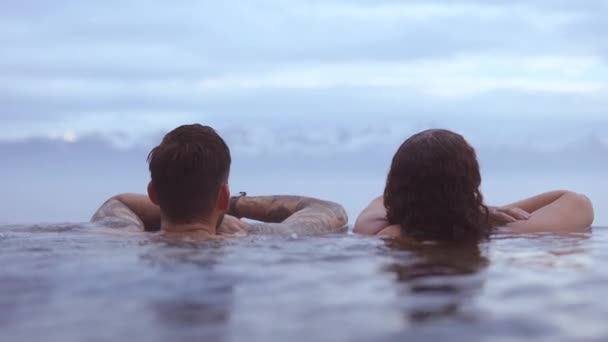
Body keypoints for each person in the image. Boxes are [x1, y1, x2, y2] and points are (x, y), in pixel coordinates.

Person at [91, 124, 348, 237]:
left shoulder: (121, 235)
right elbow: (331, 212)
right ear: (223, 196)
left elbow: (119, 201)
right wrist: (233, 208)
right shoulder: (253, 239)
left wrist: (178, 200)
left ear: (153, 193)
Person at [354, 129, 594, 240]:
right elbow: (576, 201)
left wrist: (473, 213)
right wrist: (480, 213)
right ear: (471, 181)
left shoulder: (372, 230)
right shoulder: (502, 233)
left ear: (394, 182)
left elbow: (381, 202)